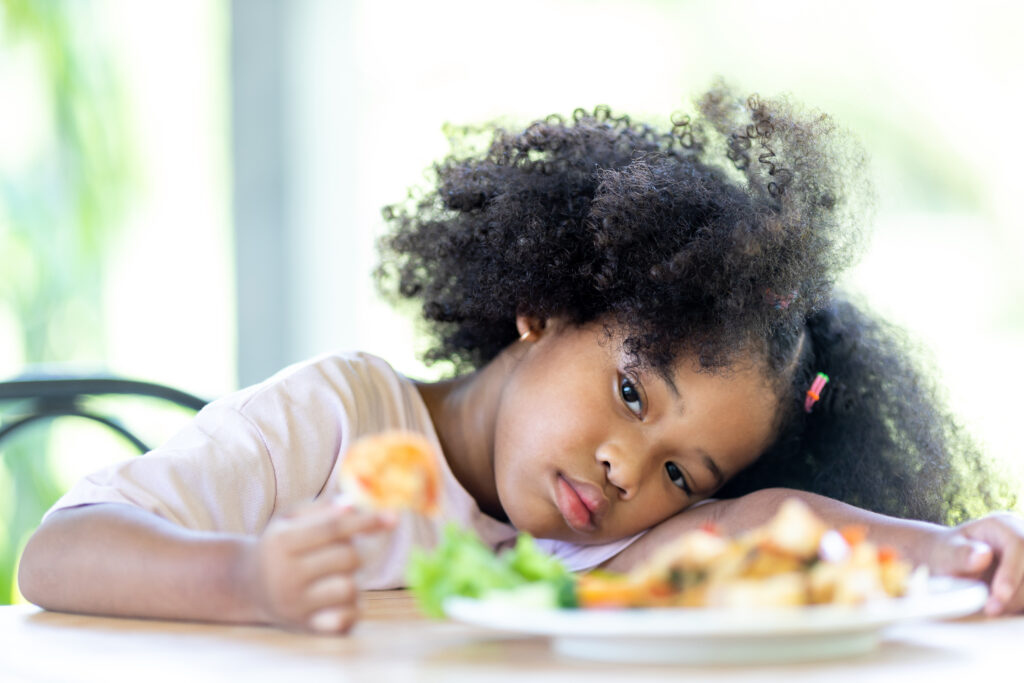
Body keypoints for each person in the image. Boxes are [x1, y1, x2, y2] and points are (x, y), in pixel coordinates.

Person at [18, 84, 1023, 634]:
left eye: (680, 472)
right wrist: (247, 579)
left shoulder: (599, 557)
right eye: (631, 392)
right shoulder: (336, 416)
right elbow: (56, 552)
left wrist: (956, 550)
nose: (627, 468)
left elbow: (757, 521)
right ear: (542, 306)